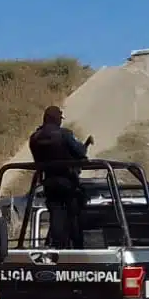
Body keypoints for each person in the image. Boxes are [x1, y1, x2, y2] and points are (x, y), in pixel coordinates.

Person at [28, 105, 92, 249]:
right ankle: (77, 248)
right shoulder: (64, 134)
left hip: (49, 182)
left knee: (55, 214)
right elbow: (80, 152)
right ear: (57, 119)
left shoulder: (35, 137)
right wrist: (86, 144)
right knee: (74, 215)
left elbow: (37, 159)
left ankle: (56, 246)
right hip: (68, 181)